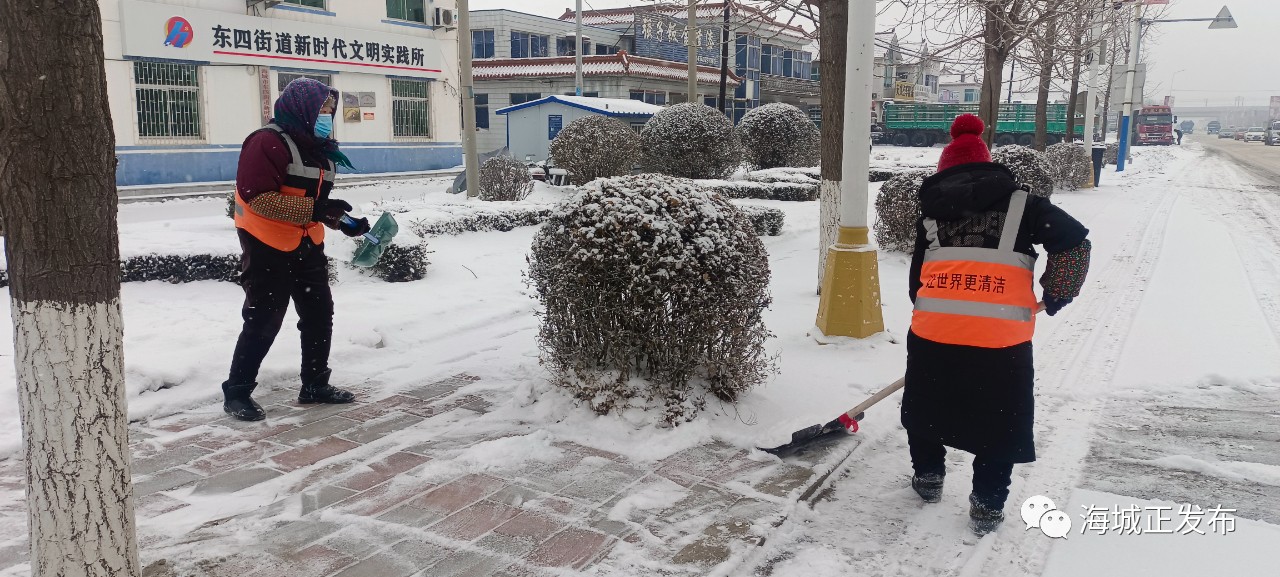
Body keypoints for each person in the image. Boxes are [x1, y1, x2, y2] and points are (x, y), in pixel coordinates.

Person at [901, 114, 1092, 535]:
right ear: (988, 165)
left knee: (927, 406)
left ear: (945, 169)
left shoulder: (930, 213)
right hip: (1001, 340)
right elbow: (1075, 243)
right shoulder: (1025, 206)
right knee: (999, 419)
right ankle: (988, 502)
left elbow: (917, 282)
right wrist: (1059, 292)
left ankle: (929, 477)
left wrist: (943, 311)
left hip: (935, 334)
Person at [222, 78, 371, 421]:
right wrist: (318, 211)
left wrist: (341, 220)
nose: (327, 117)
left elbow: (309, 201)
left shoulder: (319, 148)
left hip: (306, 243)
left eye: (330, 111)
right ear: (301, 109)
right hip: (266, 244)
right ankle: (237, 392)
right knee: (264, 317)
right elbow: (258, 199)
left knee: (319, 314)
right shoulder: (266, 143)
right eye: (322, 110)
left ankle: (315, 384)